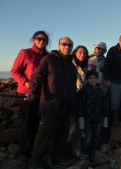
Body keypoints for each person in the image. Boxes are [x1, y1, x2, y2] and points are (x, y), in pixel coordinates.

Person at [27, 37, 77, 169]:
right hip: (50, 105)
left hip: (65, 107)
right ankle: (36, 161)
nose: (67, 47)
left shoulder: (72, 66)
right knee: (43, 135)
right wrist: (32, 91)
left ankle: (59, 157)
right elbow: (37, 76)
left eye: (70, 45)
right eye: (64, 44)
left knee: (62, 136)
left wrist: (72, 105)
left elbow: (72, 87)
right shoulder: (49, 59)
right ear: (59, 45)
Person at [10, 31, 49, 158]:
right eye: (39, 39)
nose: (42, 41)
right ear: (34, 39)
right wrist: (26, 83)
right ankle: (24, 152)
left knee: (39, 123)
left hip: (41, 95)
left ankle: (35, 149)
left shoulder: (48, 56)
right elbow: (14, 71)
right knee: (27, 124)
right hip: (26, 93)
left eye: (44, 40)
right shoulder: (25, 53)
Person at [103, 34, 121, 130]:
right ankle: (115, 130)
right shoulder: (113, 50)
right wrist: (107, 79)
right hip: (114, 82)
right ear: (119, 41)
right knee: (114, 106)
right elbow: (107, 65)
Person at [77, 70, 108, 161]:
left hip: (97, 118)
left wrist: (105, 118)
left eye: (95, 78)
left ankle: (91, 154)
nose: (93, 80)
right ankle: (84, 152)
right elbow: (81, 105)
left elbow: (104, 106)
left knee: (94, 137)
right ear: (87, 79)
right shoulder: (83, 91)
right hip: (86, 118)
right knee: (88, 137)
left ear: (97, 79)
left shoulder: (101, 92)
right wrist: (81, 119)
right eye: (91, 78)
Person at [69, 45, 89, 157]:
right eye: (80, 52)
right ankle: (65, 149)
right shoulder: (69, 65)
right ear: (75, 53)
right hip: (72, 98)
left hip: (82, 100)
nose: (82, 55)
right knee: (72, 125)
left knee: (79, 125)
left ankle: (75, 148)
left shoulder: (86, 67)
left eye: (85, 53)